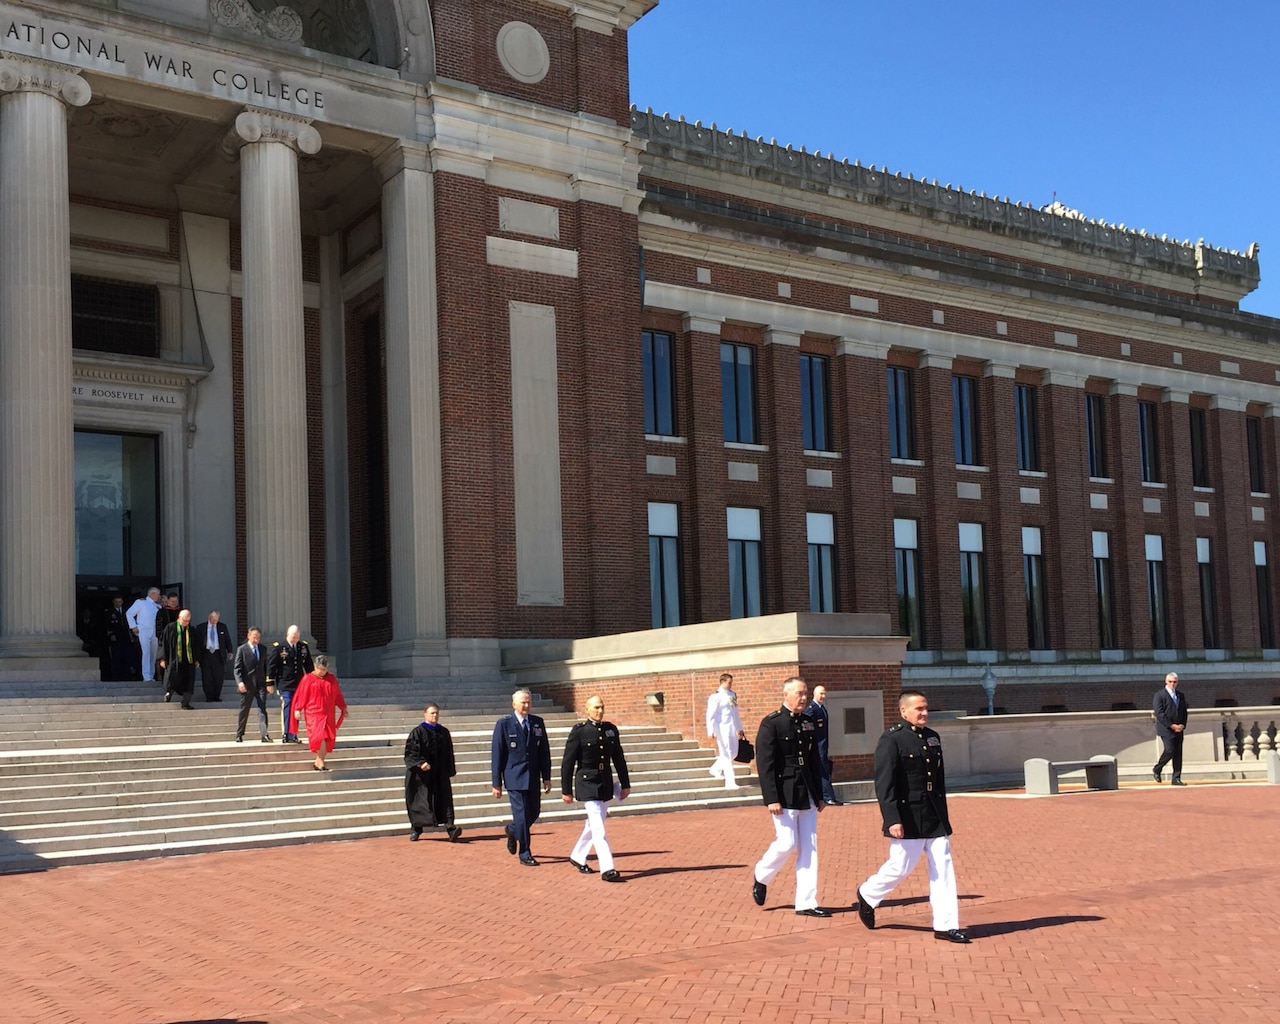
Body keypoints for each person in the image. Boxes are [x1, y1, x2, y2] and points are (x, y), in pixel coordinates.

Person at [854, 690, 970, 943]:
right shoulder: (892, 740)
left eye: (926, 708)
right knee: (901, 866)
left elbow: (937, 781)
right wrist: (892, 818)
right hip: (908, 813)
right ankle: (867, 893)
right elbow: (885, 784)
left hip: (933, 813)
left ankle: (946, 924)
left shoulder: (933, 738)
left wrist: (943, 814)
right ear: (904, 711)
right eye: (919, 709)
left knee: (943, 866)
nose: (924, 713)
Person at [750, 677, 828, 917]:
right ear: (786, 695)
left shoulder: (808, 722)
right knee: (787, 842)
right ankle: (761, 875)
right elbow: (766, 764)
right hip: (784, 793)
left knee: (809, 848)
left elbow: (815, 761)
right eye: (799, 694)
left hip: (807, 793)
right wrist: (771, 798)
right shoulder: (771, 723)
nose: (803, 698)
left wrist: (821, 793)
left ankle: (806, 902)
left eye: (805, 693)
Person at [560, 695, 630, 882]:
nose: (600, 711)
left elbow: (618, 758)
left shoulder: (610, 730)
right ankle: (607, 868)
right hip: (587, 783)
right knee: (598, 828)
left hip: (605, 782)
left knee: (593, 825)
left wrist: (625, 783)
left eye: (602, 707)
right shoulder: (580, 732)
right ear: (587, 709)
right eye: (596, 707)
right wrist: (566, 790)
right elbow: (568, 762)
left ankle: (577, 855)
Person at [491, 688, 551, 866]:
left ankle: (512, 830)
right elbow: (497, 754)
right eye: (523, 702)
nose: (526, 705)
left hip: (532, 776)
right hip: (514, 777)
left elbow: (544, 752)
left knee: (533, 812)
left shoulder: (537, 723)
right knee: (521, 816)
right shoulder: (504, 724)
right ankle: (525, 852)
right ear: (514, 704)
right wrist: (496, 782)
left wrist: (546, 776)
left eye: (529, 702)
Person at [404, 703, 461, 842]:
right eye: (432, 713)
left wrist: (449, 770)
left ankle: (451, 828)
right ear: (425, 714)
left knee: (445, 801)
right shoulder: (417, 732)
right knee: (420, 802)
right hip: (421, 776)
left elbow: (449, 753)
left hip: (439, 774)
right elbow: (410, 752)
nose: (434, 715)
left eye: (436, 713)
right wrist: (420, 763)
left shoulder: (443, 732)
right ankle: (416, 830)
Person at [291, 654, 347, 771]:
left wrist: (343, 707)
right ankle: (320, 762)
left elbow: (337, 694)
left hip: (328, 712)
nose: (322, 672)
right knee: (319, 735)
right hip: (314, 712)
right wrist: (298, 709)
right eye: (320, 669)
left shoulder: (331, 679)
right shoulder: (308, 679)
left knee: (328, 737)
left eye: (324, 669)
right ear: (315, 667)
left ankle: (319, 761)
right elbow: (302, 695)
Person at [266, 625, 312, 743]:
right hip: (284, 683)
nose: (295, 639)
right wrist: (270, 682)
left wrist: (312, 680)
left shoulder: (303, 646)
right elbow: (272, 665)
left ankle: (293, 734)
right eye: (293, 637)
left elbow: (308, 665)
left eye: (297, 637)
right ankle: (286, 733)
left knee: (296, 708)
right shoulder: (279, 647)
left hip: (299, 683)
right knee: (288, 704)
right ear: (288, 635)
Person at [233, 626, 273, 742]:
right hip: (247, 684)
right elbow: (237, 668)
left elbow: (267, 667)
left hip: (260, 684)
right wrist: (240, 682)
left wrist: (269, 683)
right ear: (249, 636)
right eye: (254, 637)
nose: (256, 640)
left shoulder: (263, 649)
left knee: (262, 708)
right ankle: (239, 733)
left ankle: (264, 734)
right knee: (244, 709)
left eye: (258, 638)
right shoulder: (242, 649)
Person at [706, 672, 745, 789]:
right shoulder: (715, 696)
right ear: (722, 682)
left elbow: (735, 713)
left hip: (732, 728)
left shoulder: (732, 694)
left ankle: (715, 769)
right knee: (727, 754)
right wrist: (710, 730)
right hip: (721, 729)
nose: (730, 685)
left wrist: (739, 728)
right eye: (729, 682)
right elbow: (710, 714)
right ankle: (730, 782)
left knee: (734, 753)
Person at [805, 684, 842, 804]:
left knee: (825, 769)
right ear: (814, 694)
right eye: (821, 693)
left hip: (823, 745)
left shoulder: (821, 708)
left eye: (824, 693)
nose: (823, 696)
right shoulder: (812, 709)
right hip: (817, 745)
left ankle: (827, 795)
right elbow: (805, 724)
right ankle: (828, 796)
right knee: (823, 770)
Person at [156, 608, 197, 709]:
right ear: (179, 618)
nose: (186, 623)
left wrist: (197, 659)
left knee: (188, 681)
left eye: (188, 621)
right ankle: (169, 693)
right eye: (184, 620)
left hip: (188, 660)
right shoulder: (170, 628)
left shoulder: (191, 630)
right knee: (172, 677)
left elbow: (197, 646)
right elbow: (163, 644)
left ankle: (186, 703)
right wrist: (162, 658)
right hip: (173, 659)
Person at [1153, 671, 1188, 786]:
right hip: (1166, 729)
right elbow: (1159, 713)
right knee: (1169, 750)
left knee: (1178, 753)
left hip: (1179, 729)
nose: (1173, 684)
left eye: (1175, 682)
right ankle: (1158, 768)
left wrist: (1182, 725)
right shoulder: (1159, 695)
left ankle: (1176, 778)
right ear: (1166, 682)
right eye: (1170, 682)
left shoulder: (1180, 695)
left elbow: (1184, 711)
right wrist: (1171, 725)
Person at [126, 587, 162, 683]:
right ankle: (146, 676)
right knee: (146, 653)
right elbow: (129, 613)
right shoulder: (141, 603)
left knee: (153, 654)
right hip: (144, 631)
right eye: (157, 594)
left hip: (154, 632)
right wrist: (133, 626)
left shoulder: (158, 606)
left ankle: (151, 675)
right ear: (152, 594)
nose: (158, 597)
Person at [199, 611, 233, 702]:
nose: (215, 622)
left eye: (216, 620)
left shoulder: (222, 626)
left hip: (218, 654)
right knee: (206, 677)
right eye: (213, 620)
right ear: (209, 618)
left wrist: (230, 651)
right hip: (206, 654)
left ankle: (216, 696)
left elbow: (227, 640)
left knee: (219, 677)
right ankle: (209, 697)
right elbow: (197, 643)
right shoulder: (201, 627)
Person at [104, 596, 135, 682]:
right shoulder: (109, 612)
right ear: (113, 602)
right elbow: (106, 625)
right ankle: (116, 677)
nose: (118, 603)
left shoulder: (127, 611)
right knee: (116, 659)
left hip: (126, 639)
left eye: (120, 602)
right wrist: (111, 635)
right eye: (116, 602)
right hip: (115, 639)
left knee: (127, 658)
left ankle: (127, 677)